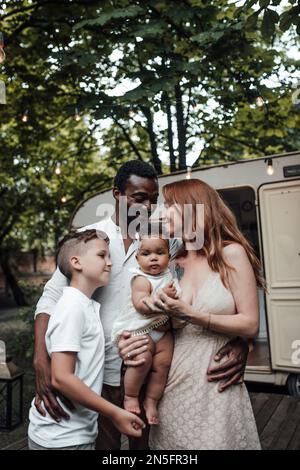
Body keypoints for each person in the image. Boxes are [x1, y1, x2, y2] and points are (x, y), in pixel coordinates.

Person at [33, 160, 250, 451]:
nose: (148, 207)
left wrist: (239, 340)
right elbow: (50, 299)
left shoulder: (167, 242)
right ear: (117, 194)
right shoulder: (87, 240)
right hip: (102, 373)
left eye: (154, 199)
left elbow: (210, 289)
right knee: (105, 448)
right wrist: (40, 360)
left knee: (147, 447)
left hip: (156, 371)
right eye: (139, 198)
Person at [146, 179, 263, 450]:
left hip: (217, 383)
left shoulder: (230, 254)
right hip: (173, 385)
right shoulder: (171, 263)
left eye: (170, 206)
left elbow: (250, 324)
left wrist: (192, 314)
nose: (162, 214)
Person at [28, 229, 144, 450]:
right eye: (102, 256)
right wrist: (115, 413)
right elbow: (61, 377)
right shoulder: (72, 308)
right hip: (61, 439)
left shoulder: (85, 305)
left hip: (74, 434)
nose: (110, 263)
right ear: (76, 262)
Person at [111, 232, 181, 425]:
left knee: (162, 366)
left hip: (163, 332)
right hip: (142, 330)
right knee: (141, 360)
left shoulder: (169, 276)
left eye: (160, 252)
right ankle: (131, 396)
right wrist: (162, 296)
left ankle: (151, 401)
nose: (154, 258)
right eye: (147, 254)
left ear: (169, 255)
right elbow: (141, 304)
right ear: (137, 258)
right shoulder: (141, 278)